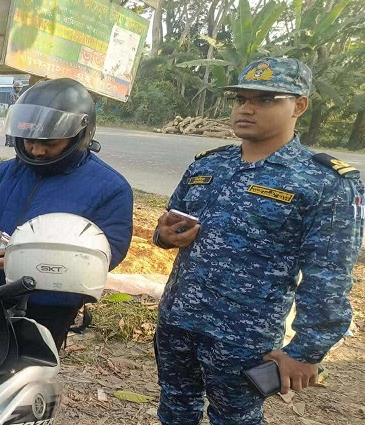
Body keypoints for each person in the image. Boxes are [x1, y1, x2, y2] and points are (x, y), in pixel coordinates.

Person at [152, 57, 364, 425]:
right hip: (177, 320)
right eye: (241, 98)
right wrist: (164, 237)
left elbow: (328, 278)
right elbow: (168, 228)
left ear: (299, 105)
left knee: (235, 419)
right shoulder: (208, 165)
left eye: (266, 100)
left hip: (242, 336)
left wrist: (307, 350)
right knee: (174, 408)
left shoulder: (325, 182)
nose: (247, 108)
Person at [0, 78, 134, 350]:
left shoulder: (110, 188)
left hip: (50, 305)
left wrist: (23, 262)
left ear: (80, 135)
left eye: (49, 144)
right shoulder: (4, 172)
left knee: (29, 373)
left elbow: (106, 254)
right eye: (29, 141)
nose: (36, 151)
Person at [5, 81, 25, 146]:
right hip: (13, 112)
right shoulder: (12, 94)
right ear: (15, 88)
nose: (19, 89)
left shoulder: (18, 95)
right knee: (11, 127)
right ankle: (10, 142)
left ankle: (9, 141)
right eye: (18, 88)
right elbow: (11, 104)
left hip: (16, 112)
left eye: (20, 88)